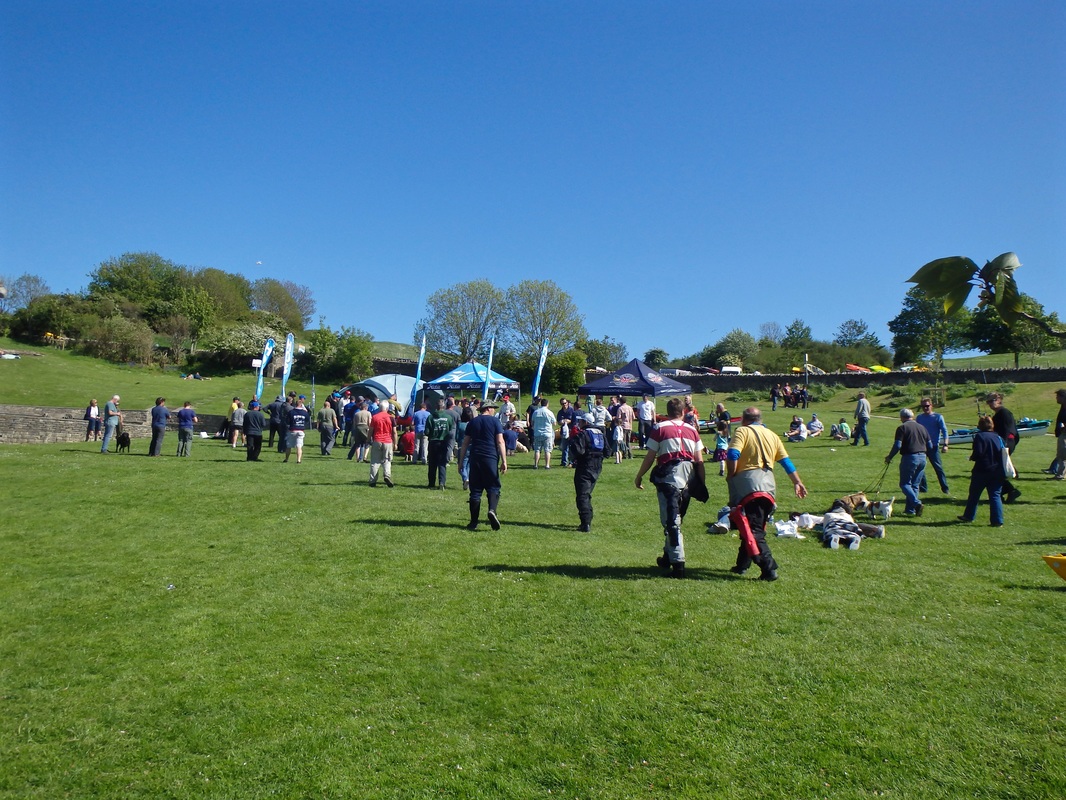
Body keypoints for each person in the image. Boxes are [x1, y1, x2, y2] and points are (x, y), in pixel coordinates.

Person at [726, 406, 808, 581]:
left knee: (754, 531)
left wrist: (731, 474)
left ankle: (769, 568)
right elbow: (786, 462)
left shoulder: (742, 431)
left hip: (748, 485)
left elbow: (733, 453)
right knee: (751, 525)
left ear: (743, 419)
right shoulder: (772, 435)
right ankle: (742, 565)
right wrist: (797, 482)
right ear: (760, 419)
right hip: (769, 486)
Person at [634, 397, 706, 579]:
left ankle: (678, 565)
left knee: (672, 522)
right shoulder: (693, 431)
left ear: (667, 413)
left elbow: (650, 456)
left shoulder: (659, 428)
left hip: (669, 478)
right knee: (676, 519)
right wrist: (701, 483)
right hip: (688, 479)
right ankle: (667, 558)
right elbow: (699, 461)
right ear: (683, 412)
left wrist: (640, 475)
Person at [458, 401, 507, 530]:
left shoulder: (473, 422)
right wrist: (504, 461)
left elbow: (465, 443)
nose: (495, 411)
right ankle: (492, 510)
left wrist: (461, 462)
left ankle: (473, 522)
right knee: (493, 486)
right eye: (494, 409)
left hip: (475, 458)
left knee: (475, 490)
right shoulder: (495, 422)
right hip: (490, 457)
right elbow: (500, 441)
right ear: (489, 409)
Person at [956, 416, 1005, 527]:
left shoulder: (980, 436)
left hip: (982, 470)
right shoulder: (998, 437)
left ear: (980, 425)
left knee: (974, 494)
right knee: (995, 496)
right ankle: (997, 520)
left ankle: (969, 515)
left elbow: (978, 453)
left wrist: (972, 457)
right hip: (997, 470)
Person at [884, 408, 930, 517]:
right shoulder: (922, 427)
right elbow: (930, 445)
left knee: (904, 484)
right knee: (915, 485)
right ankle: (910, 510)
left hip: (910, 457)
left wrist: (890, 457)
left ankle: (916, 503)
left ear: (902, 417)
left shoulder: (902, 428)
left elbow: (898, 445)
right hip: (923, 457)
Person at [571, 413, 607, 531]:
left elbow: (578, 451)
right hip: (597, 467)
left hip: (585, 466)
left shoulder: (583, 434)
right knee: (587, 493)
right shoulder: (600, 433)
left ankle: (585, 523)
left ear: (586, 422)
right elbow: (608, 451)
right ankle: (587, 519)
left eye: (581, 421)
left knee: (582, 495)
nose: (579, 423)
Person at [986, 392, 1021, 503]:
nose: (990, 404)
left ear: (999, 400)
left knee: (994, 470)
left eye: (992, 401)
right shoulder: (998, 414)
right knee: (995, 470)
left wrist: (1004, 447)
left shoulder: (1004, 413)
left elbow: (1009, 431)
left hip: (1005, 444)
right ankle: (1003, 492)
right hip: (1002, 443)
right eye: (988, 402)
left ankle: (1008, 491)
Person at [916, 397, 950, 493]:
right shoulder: (919, 418)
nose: (925, 408)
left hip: (933, 447)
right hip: (922, 446)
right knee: (920, 467)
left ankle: (945, 488)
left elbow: (944, 431)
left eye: (927, 406)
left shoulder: (938, 417)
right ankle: (923, 488)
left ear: (931, 406)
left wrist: (945, 444)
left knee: (938, 468)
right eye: (923, 406)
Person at [426, 399, 455, 490]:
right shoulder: (448, 417)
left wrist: (431, 434)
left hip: (433, 442)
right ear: (444, 406)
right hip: (444, 442)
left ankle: (431, 483)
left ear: (436, 406)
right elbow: (450, 430)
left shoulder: (431, 417)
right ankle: (442, 482)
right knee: (442, 463)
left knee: (432, 464)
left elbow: (426, 431)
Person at [368, 402, 396, 487]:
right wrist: (395, 443)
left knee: (375, 461)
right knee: (387, 460)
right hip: (387, 441)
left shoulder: (375, 417)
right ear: (387, 409)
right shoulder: (391, 418)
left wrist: (368, 439)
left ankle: (373, 480)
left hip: (377, 440)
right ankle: (387, 475)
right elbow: (394, 432)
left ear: (379, 408)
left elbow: (371, 430)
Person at [284, 395, 311, 464]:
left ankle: (286, 459)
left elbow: (287, 421)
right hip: (301, 430)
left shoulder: (291, 412)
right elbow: (307, 420)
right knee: (299, 446)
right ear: (301, 405)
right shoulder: (305, 413)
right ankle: (298, 460)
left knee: (289, 446)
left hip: (292, 430)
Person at [531, 397, 557, 469]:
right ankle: (547, 465)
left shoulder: (536, 412)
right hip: (547, 433)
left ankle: (536, 465)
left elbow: (532, 423)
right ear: (547, 404)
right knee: (547, 450)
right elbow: (554, 423)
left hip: (537, 433)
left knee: (537, 450)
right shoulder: (549, 412)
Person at [557, 398, 579, 467]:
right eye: (562, 403)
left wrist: (567, 421)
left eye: (565, 403)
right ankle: (564, 462)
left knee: (572, 447)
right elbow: (559, 421)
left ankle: (572, 462)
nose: (564, 405)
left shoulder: (572, 410)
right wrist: (562, 421)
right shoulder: (560, 412)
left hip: (572, 431)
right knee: (564, 447)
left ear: (567, 403)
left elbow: (573, 421)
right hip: (564, 431)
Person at [1051, 388, 1066, 481]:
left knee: (1063, 455)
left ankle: (1060, 475)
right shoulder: (1063, 407)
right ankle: (1060, 474)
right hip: (1062, 433)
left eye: (1058, 397)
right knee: (1061, 455)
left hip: (1065, 434)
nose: (1056, 398)